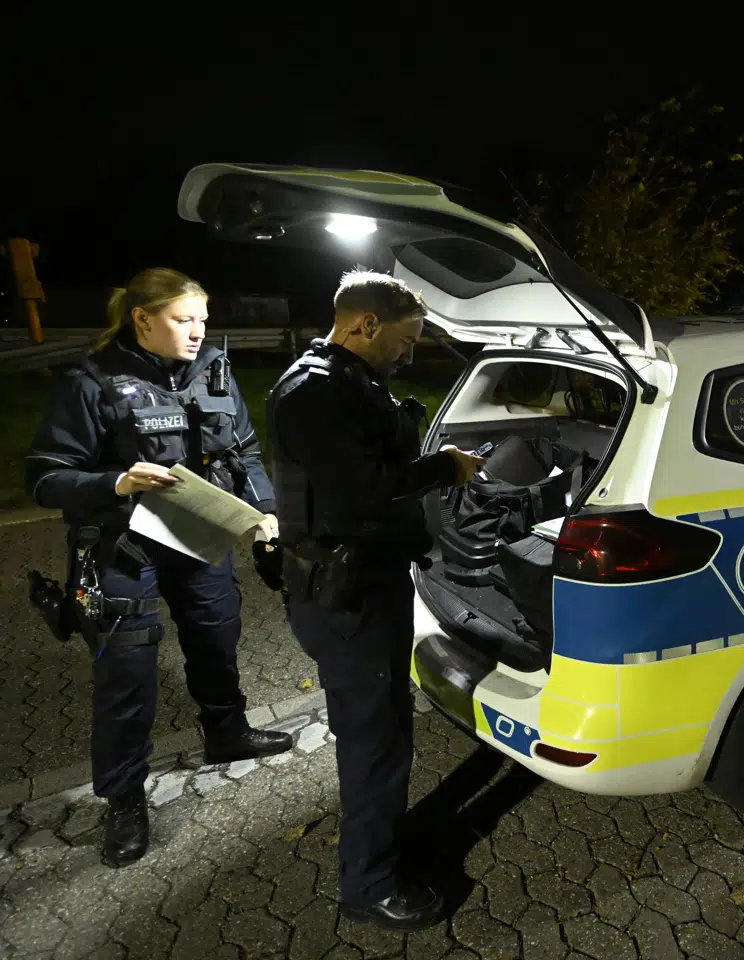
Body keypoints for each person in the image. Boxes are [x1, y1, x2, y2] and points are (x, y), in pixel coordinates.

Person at [25, 267, 294, 868]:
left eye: (202, 318)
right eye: (182, 319)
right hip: (124, 545)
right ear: (142, 319)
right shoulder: (92, 382)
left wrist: (266, 514)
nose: (198, 331)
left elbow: (244, 452)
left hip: (198, 535)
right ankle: (123, 798)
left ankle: (226, 735)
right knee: (127, 671)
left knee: (217, 635)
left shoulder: (214, 371)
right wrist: (113, 481)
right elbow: (42, 478)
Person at [267, 270, 484, 931]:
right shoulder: (313, 392)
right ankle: (368, 886)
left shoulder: (345, 381)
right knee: (375, 740)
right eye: (407, 340)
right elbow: (364, 493)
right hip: (346, 595)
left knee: (383, 729)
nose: (409, 353)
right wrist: (443, 466)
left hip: (365, 585)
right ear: (365, 324)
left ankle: (380, 845)